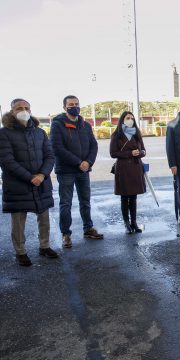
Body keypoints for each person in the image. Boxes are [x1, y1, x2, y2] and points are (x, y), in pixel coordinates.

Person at [0, 99, 58, 266]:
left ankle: (44, 246)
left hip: (41, 182)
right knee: (18, 220)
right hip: (18, 184)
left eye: (26, 108)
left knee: (44, 216)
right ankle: (20, 251)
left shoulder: (40, 132)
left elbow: (50, 156)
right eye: (19, 108)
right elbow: (7, 161)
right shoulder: (4, 133)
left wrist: (42, 174)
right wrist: (30, 177)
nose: (23, 110)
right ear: (12, 112)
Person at [50, 95, 103, 248]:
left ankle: (88, 228)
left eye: (77, 104)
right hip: (66, 171)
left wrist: (88, 162)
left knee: (85, 201)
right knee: (66, 203)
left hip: (84, 170)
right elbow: (57, 148)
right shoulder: (57, 125)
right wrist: (78, 162)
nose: (74, 106)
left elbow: (94, 145)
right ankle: (66, 234)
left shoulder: (85, 125)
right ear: (64, 107)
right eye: (71, 104)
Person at [110, 111, 147, 234]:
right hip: (123, 169)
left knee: (134, 197)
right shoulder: (116, 135)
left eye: (132, 118)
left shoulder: (137, 134)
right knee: (124, 197)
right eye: (127, 118)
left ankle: (134, 223)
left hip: (136, 168)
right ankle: (127, 224)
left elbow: (144, 150)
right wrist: (130, 153)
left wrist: (140, 153)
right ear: (122, 120)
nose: (130, 120)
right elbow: (113, 153)